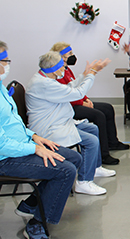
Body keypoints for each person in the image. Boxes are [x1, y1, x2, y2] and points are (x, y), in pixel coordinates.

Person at [0, 41, 82, 239]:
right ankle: (36, 224)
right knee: (65, 171)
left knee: (74, 157)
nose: (7, 64)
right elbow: (2, 145)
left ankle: (31, 203)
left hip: (22, 144)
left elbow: (12, 124)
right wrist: (35, 148)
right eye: (4, 60)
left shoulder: (1, 88)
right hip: (6, 157)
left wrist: (35, 136)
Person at [25, 51, 115, 196]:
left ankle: (94, 167)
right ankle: (84, 182)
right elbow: (77, 93)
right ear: (54, 68)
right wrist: (92, 74)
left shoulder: (45, 78)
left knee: (92, 128)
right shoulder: (43, 85)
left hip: (59, 121)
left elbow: (68, 87)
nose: (65, 68)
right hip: (49, 128)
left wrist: (84, 74)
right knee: (91, 141)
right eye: (62, 65)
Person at [50, 42, 130, 166]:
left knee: (108, 108)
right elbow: (67, 94)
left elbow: (76, 85)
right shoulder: (58, 73)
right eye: (69, 54)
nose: (72, 55)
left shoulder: (67, 70)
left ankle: (112, 142)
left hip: (78, 102)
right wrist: (82, 102)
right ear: (61, 57)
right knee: (98, 115)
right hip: (69, 107)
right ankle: (103, 154)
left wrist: (86, 99)